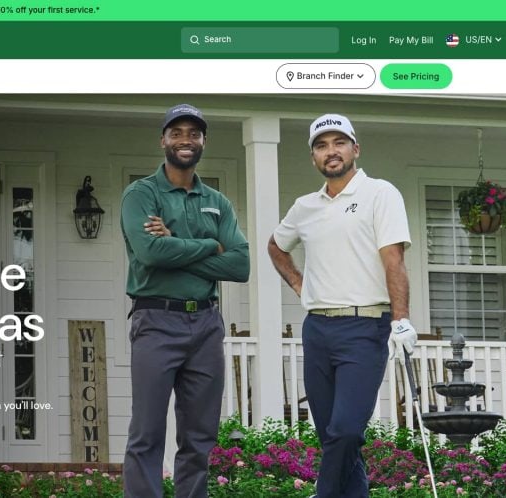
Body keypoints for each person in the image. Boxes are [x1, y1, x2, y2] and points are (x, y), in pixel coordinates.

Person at [268, 114, 416, 498]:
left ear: (355, 149)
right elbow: (276, 246)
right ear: (314, 157)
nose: (330, 152)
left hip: (365, 327)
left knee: (347, 430)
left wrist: (401, 319)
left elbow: (393, 259)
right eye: (321, 145)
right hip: (317, 329)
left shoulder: (381, 193)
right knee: (332, 435)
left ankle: (323, 493)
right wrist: (301, 285)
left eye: (338, 143)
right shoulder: (305, 207)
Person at [121, 104, 250, 498]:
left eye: (193, 133)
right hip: (156, 320)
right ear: (163, 140)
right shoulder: (141, 194)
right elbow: (150, 254)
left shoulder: (218, 201)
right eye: (176, 132)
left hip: (207, 326)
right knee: (147, 432)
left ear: (203, 142)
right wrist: (211, 246)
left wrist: (175, 243)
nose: (185, 140)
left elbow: (241, 263)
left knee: (199, 435)